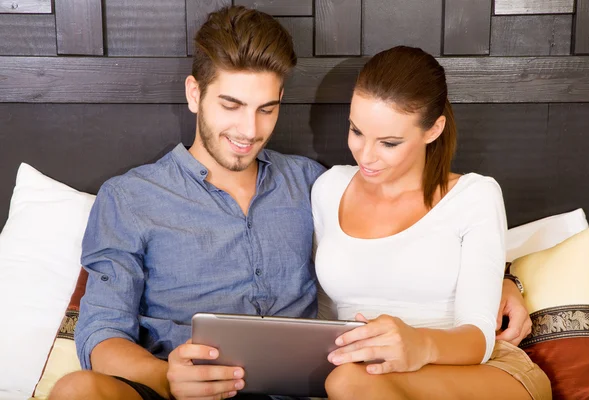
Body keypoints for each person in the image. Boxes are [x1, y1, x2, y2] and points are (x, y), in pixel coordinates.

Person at [48, 6, 532, 400]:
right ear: (195, 94)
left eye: (267, 109)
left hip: (304, 389)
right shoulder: (130, 198)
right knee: (75, 390)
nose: (249, 131)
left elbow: (401, 232)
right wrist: (164, 378)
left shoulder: (310, 184)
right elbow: (102, 335)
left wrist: (502, 280)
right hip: (174, 389)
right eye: (231, 105)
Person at [312, 46, 551, 400]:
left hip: (478, 370)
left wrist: (418, 344)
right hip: (366, 375)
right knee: (348, 381)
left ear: (433, 129)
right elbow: (325, 314)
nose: (365, 155)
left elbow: (479, 339)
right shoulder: (328, 188)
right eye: (356, 131)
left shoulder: (474, 195)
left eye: (389, 143)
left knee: (348, 383)